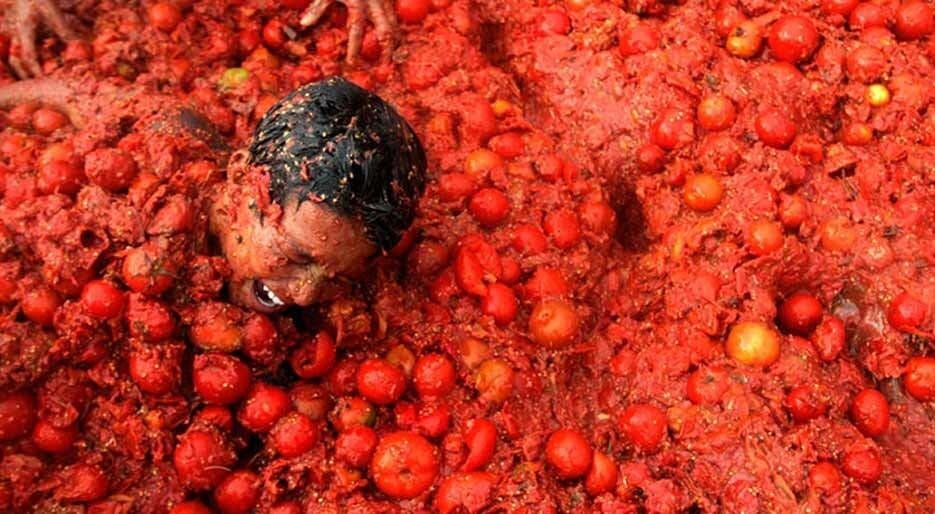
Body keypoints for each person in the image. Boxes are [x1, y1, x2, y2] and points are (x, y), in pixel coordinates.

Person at [0, 75, 427, 311]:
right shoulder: (166, 138)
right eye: (297, 256)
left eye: (339, 277)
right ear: (244, 180)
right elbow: (73, 92)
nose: (305, 296)